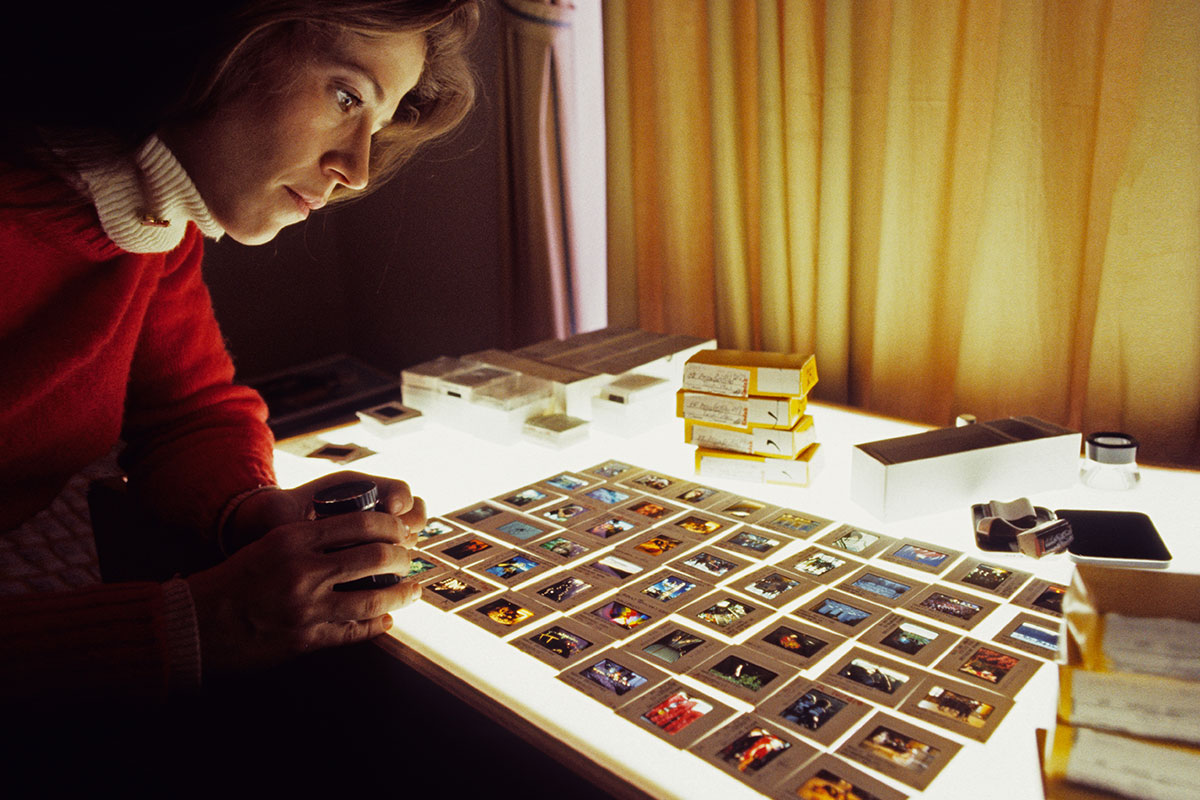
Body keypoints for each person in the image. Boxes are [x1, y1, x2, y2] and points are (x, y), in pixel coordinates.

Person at [0, 0, 479, 711]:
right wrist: (200, 623)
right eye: (346, 96)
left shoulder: (152, 221)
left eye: (375, 125)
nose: (355, 168)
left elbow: (190, 414)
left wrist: (256, 507)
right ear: (220, 34)